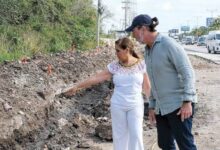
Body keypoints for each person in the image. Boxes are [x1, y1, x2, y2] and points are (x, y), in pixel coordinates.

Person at [63, 37, 151, 150]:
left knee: (136, 135)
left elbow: (147, 87)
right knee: (119, 136)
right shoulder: (115, 66)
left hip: (135, 105)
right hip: (118, 105)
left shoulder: (141, 65)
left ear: (127, 50)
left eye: (118, 50)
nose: (116, 53)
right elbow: (96, 77)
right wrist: (77, 86)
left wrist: (154, 106)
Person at [125, 14, 197, 150]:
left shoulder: (168, 44)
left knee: (186, 145)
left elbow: (188, 72)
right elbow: (153, 80)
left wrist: (188, 101)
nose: (132, 36)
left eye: (133, 31)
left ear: (143, 29)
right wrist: (152, 105)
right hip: (161, 107)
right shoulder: (147, 50)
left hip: (179, 106)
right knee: (164, 144)